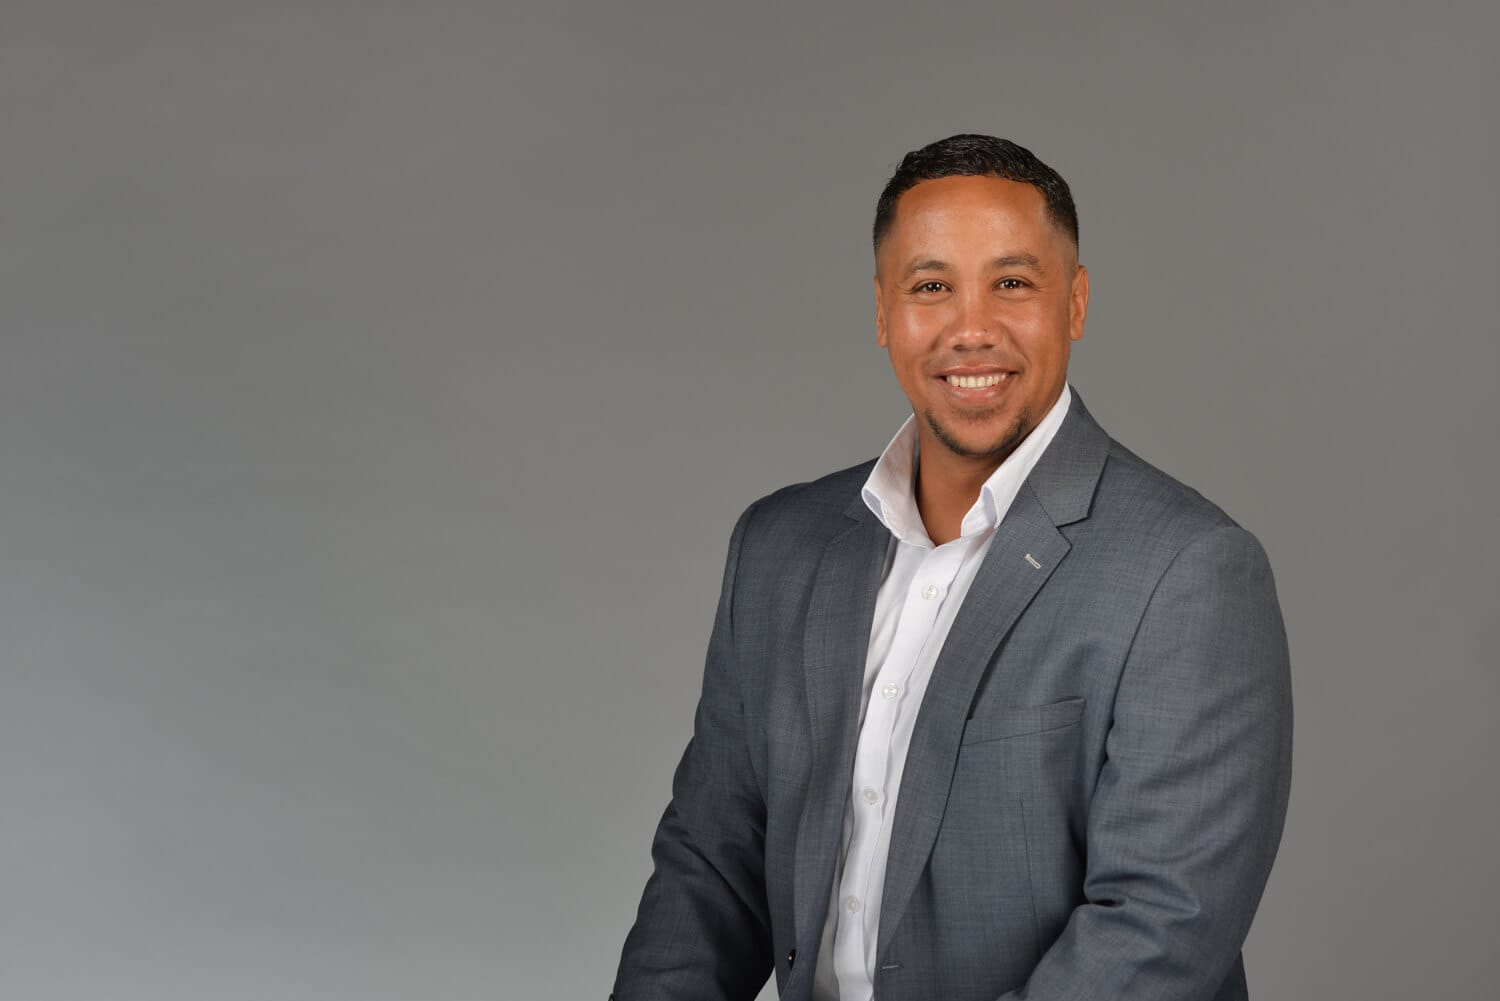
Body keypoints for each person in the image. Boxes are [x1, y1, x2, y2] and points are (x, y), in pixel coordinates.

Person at [611, 134, 1293, 1001]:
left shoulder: (1189, 572)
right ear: (883, 312)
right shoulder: (777, 549)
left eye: (1012, 283)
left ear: (1076, 302)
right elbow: (712, 864)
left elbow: (1159, 928)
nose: (972, 329)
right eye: (931, 287)